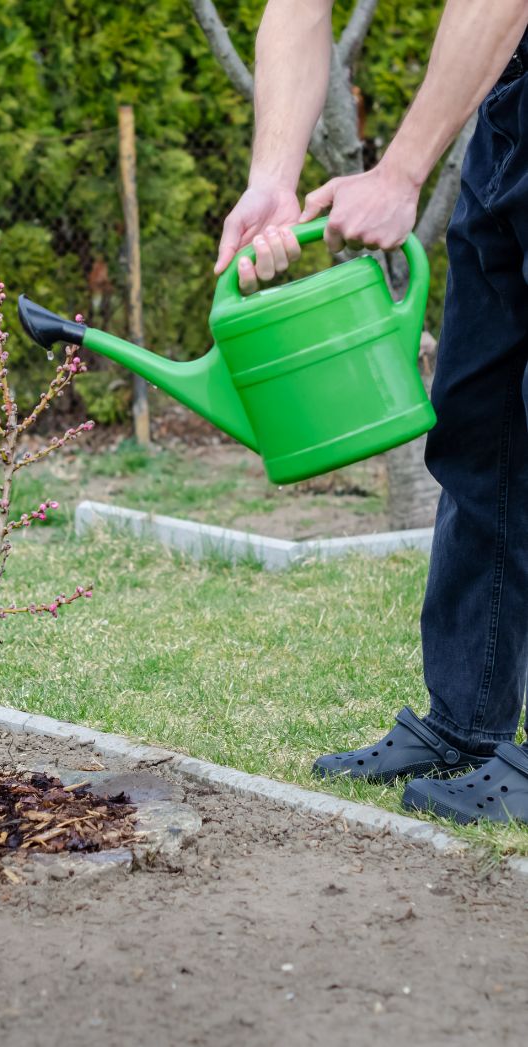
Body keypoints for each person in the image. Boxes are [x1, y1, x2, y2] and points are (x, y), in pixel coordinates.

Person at [217, 0, 528, 824]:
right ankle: (466, 724)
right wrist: (270, 181)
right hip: (512, 108)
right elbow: (295, 10)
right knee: (477, 423)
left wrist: (399, 173)